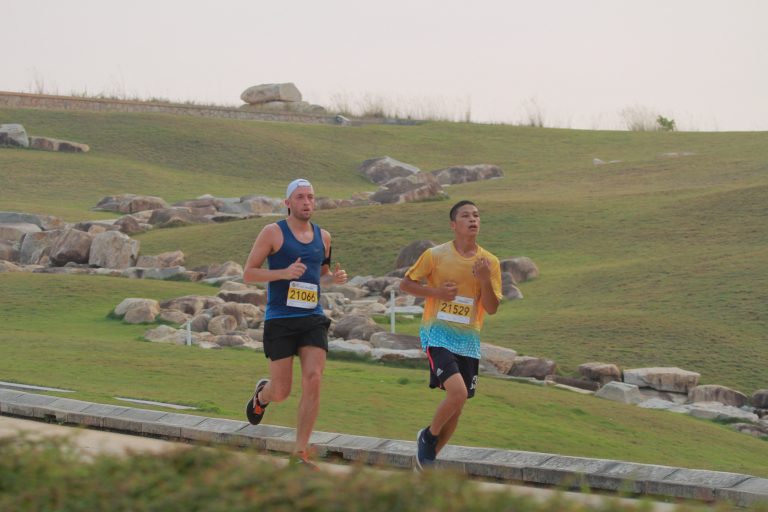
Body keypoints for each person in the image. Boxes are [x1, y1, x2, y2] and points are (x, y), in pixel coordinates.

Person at [243, 178, 347, 468]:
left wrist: (333, 280)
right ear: (288, 203)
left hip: (312, 317)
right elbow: (249, 273)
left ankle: (299, 453)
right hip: (280, 319)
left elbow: (320, 275)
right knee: (282, 391)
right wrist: (283, 273)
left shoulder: (323, 237)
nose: (306, 202)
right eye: (300, 197)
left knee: (314, 379)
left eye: (311, 197)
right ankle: (263, 394)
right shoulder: (272, 232)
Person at [399, 200, 502, 470]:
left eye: (477, 215)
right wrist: (436, 293)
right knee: (457, 393)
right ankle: (428, 436)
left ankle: (426, 463)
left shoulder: (489, 262)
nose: (473, 219)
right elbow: (406, 284)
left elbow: (491, 308)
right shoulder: (435, 255)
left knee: (459, 404)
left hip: (468, 340)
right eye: (466, 215)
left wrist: (483, 280)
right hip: (437, 334)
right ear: (453, 224)